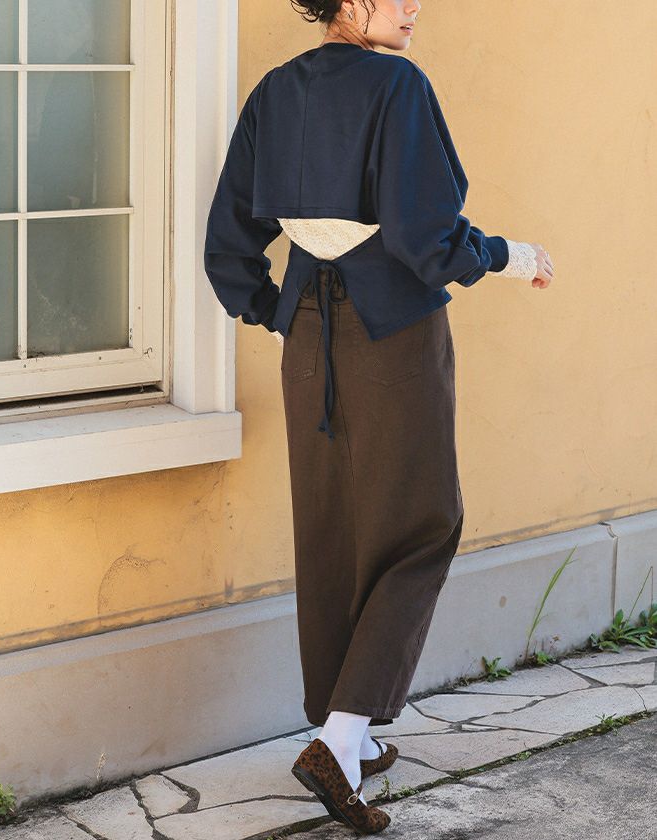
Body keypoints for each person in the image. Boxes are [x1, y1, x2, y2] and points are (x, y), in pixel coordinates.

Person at [204, 0, 553, 833]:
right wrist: (509, 256)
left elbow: (229, 241)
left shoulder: (276, 91)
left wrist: (275, 309)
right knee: (423, 526)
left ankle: (347, 734)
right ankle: (340, 737)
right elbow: (426, 238)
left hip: (307, 335)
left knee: (331, 528)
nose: (413, 6)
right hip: (391, 334)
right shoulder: (398, 86)